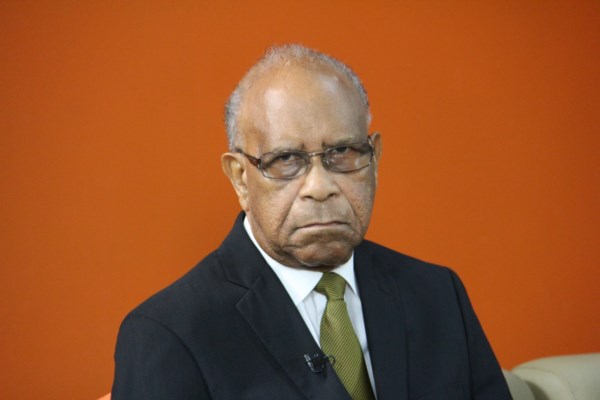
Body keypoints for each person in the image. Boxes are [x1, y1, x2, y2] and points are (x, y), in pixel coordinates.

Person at [112, 44, 511, 399]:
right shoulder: (169, 334)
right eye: (286, 159)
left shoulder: (437, 295)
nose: (320, 187)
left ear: (374, 159)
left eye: (343, 152)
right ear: (240, 178)